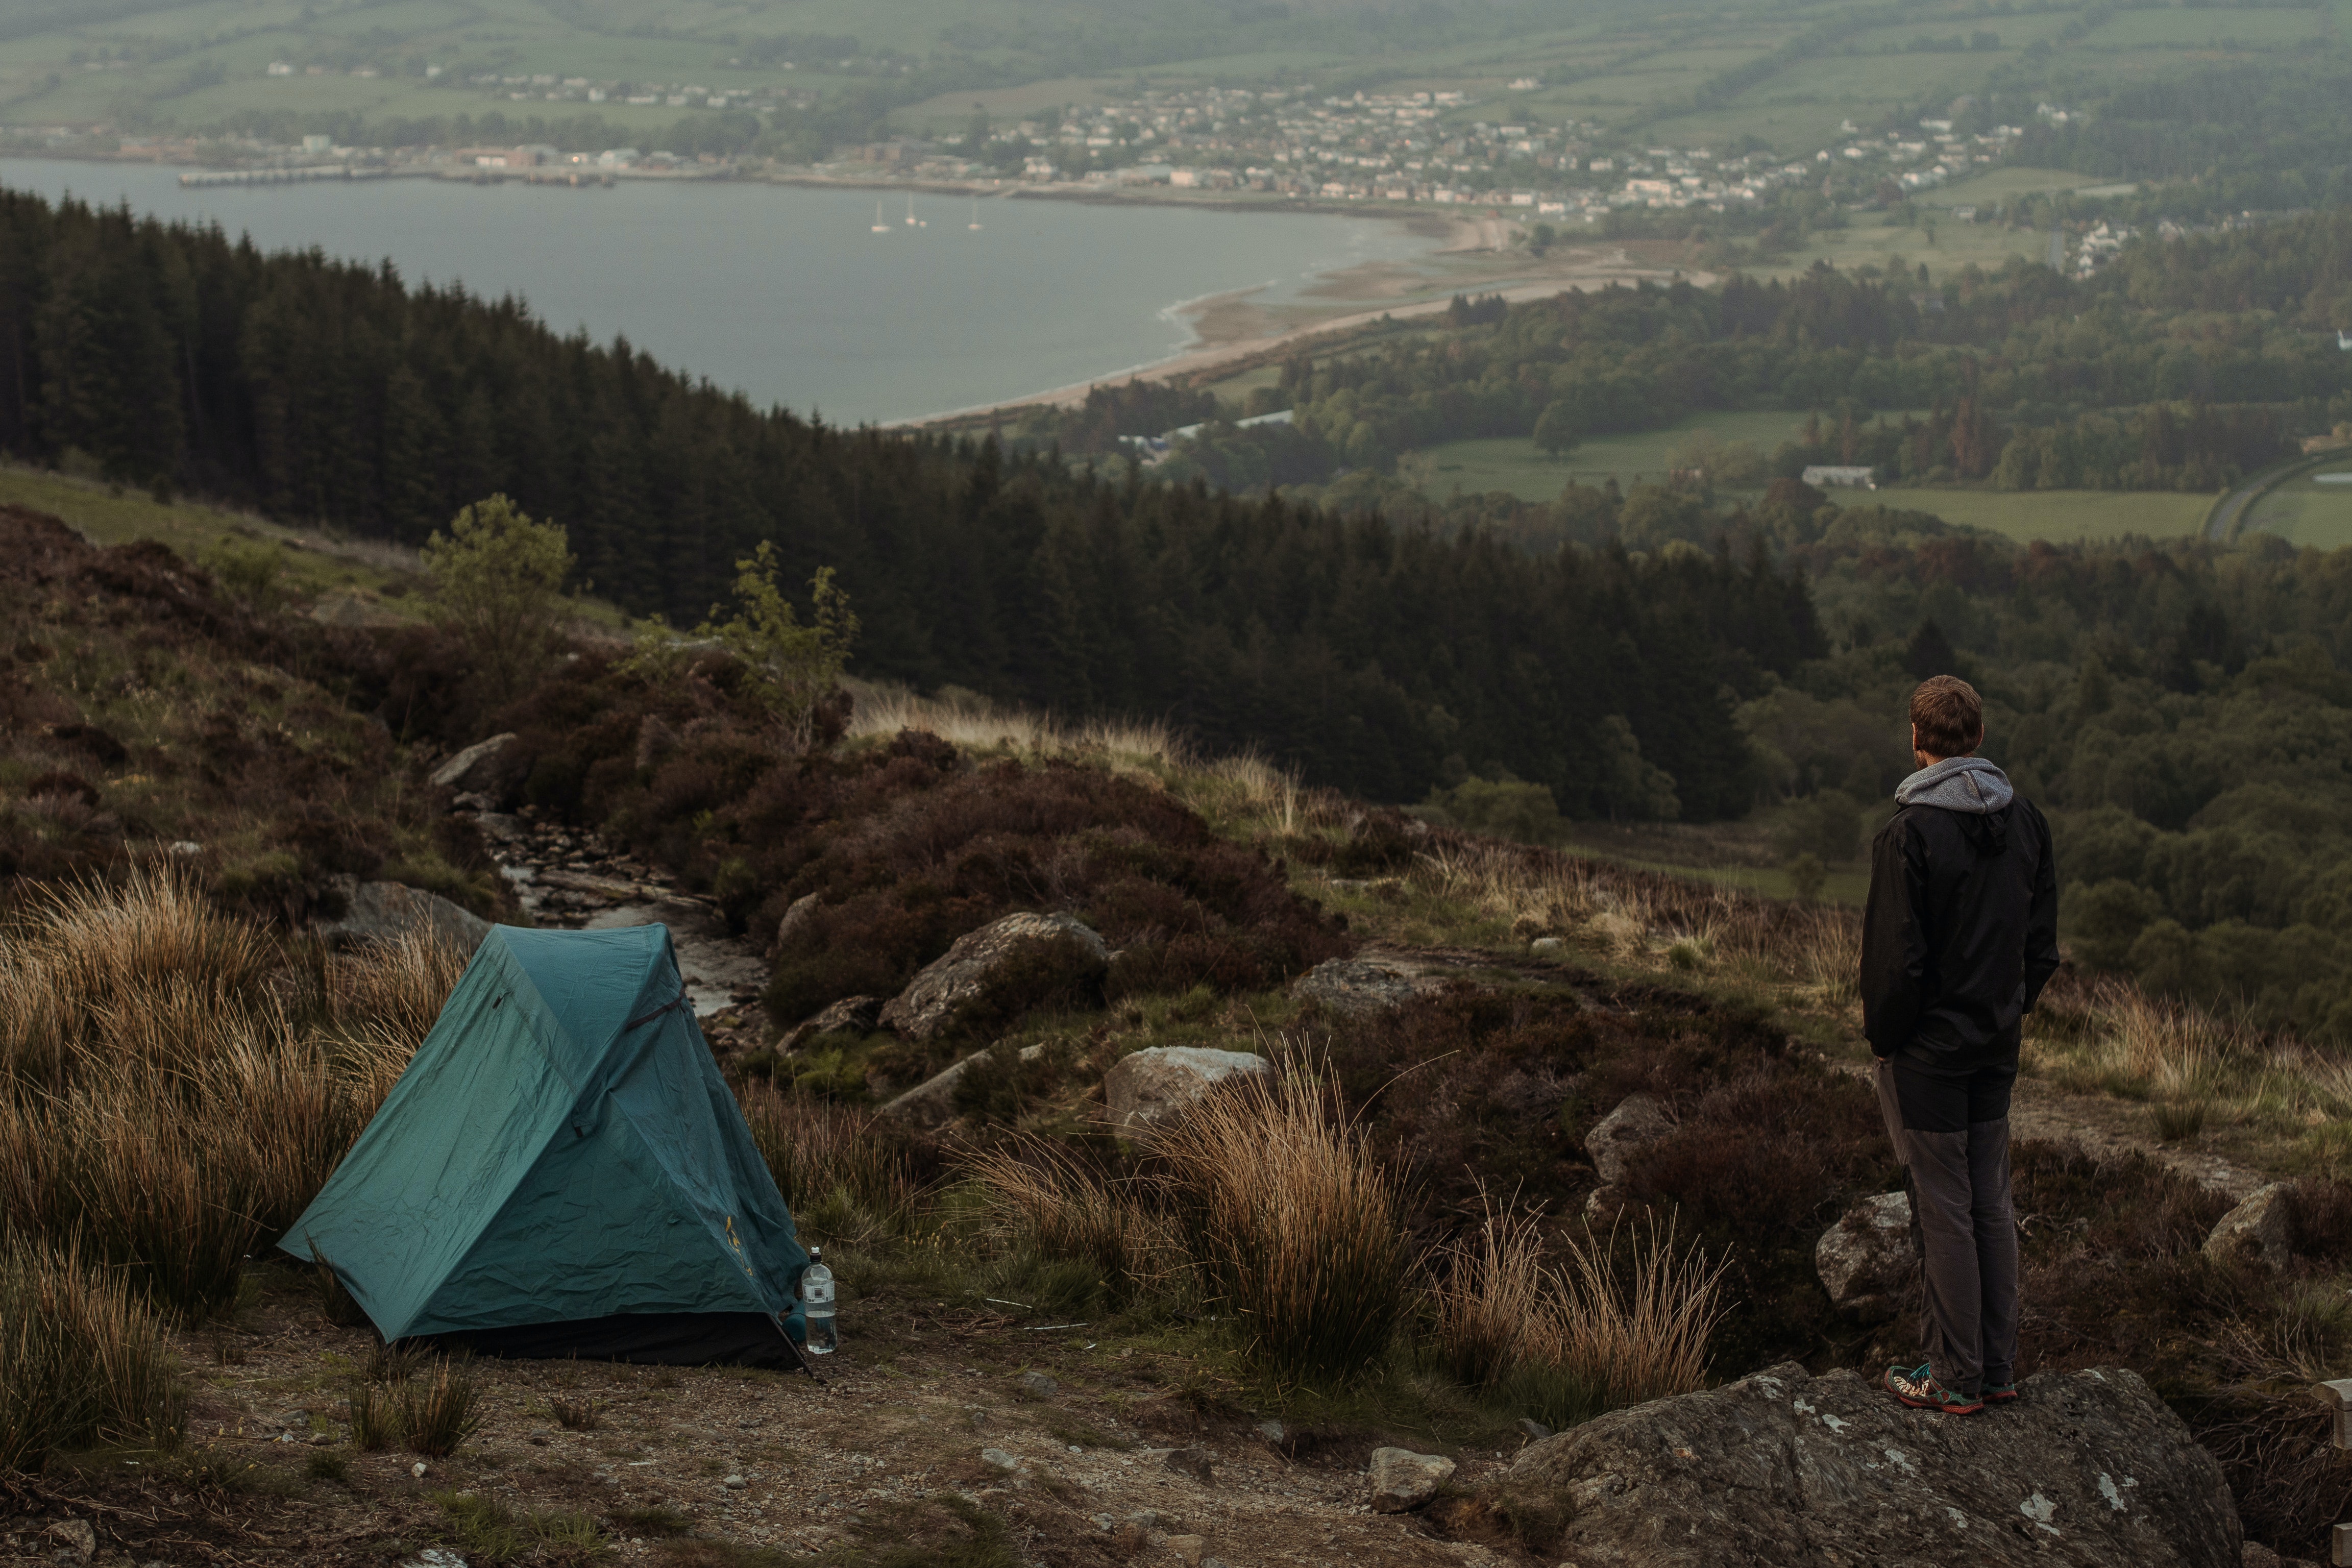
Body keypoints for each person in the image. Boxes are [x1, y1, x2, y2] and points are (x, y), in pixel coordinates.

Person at [1861, 674, 2059, 1416]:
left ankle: (1952, 1376)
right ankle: (1997, 1369)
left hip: (1929, 1056)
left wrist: (1890, 1042)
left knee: (1943, 1208)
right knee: (1990, 1204)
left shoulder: (1908, 835)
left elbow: (1895, 964)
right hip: (1995, 1045)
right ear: (1978, 739)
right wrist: (2008, 1011)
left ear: (1918, 745)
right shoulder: (2028, 821)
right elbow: (2041, 947)